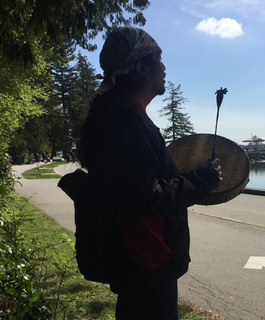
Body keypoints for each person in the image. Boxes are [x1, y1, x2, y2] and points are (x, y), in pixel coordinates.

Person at [59, 26, 222, 319]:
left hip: (138, 261)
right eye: (158, 59)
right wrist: (199, 180)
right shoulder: (124, 119)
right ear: (142, 67)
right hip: (146, 259)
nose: (164, 66)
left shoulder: (118, 112)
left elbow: (132, 181)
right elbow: (142, 195)